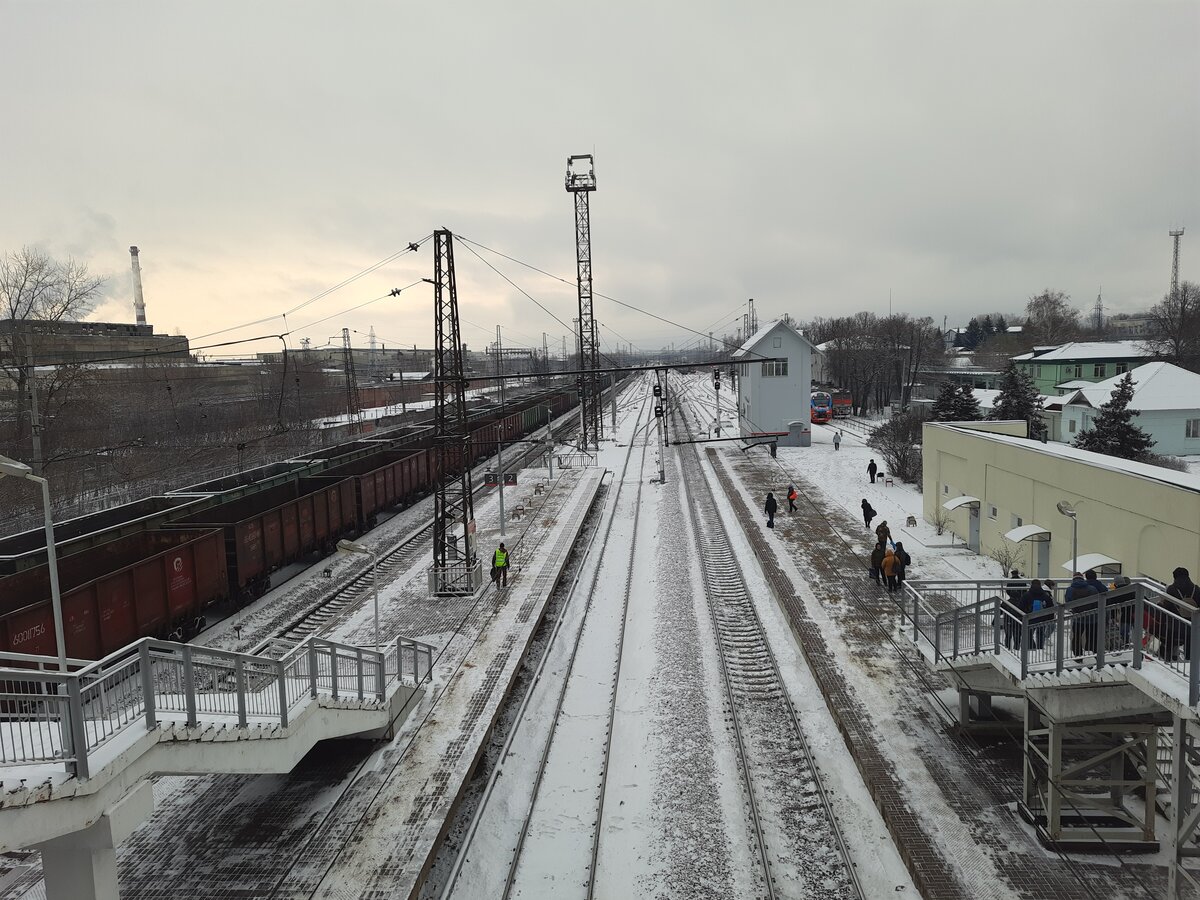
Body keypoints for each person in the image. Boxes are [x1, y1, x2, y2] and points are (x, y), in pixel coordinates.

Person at [1163, 567, 1199, 661]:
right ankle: (1189, 660)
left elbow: (1167, 606)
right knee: (1190, 638)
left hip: (1175, 624)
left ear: (1175, 577)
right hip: (1192, 624)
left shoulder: (1171, 589)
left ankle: (1169, 657)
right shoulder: (1196, 589)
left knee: (1169, 635)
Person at [1065, 571, 1100, 661]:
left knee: (1077, 636)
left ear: (1073, 579)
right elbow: (1097, 601)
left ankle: (1078, 656)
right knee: (1093, 636)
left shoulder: (1070, 589)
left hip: (1078, 617)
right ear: (1083, 579)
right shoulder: (1092, 588)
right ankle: (1095, 654)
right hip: (1092, 617)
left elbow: (1068, 602)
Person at [1108, 575, 1136, 649]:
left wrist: (1112, 617)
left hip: (1125, 615)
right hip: (1136, 612)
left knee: (1124, 631)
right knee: (1136, 629)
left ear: (1115, 583)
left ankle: (1125, 643)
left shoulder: (1116, 592)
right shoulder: (1131, 589)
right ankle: (1138, 643)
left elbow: (1112, 606)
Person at [1025, 579, 1054, 650]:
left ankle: (1031, 647)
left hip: (1030, 617)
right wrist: (1050, 618)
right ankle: (1040, 648)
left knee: (1029, 633)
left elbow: (1021, 606)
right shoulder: (1045, 595)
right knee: (1040, 633)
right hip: (1042, 617)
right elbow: (1051, 607)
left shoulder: (1027, 595)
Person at [1003, 570, 1027, 650]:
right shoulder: (1022, 581)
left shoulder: (1007, 602)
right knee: (1017, 635)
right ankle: (1016, 648)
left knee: (1008, 635)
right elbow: (1025, 590)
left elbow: (1007, 590)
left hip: (1008, 621)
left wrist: (994, 621)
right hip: (1018, 620)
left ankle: (1007, 648)